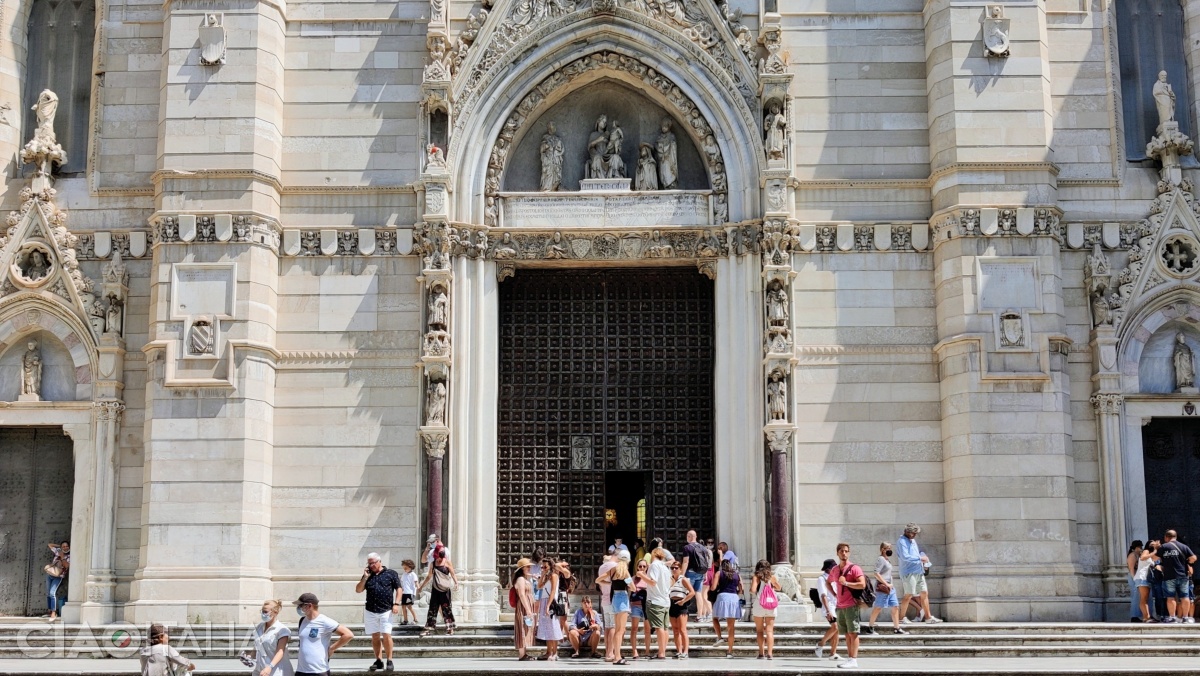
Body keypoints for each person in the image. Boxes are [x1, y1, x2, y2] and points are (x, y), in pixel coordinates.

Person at [354, 553, 402, 671]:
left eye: (372, 563)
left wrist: (396, 604)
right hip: (370, 609)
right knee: (375, 636)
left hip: (386, 609)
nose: (371, 565)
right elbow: (358, 590)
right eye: (369, 563)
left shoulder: (391, 573)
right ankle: (378, 660)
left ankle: (389, 660)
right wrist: (365, 577)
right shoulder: (368, 575)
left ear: (379, 561)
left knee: (386, 634)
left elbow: (399, 589)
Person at [294, 593, 354, 676]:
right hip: (301, 670)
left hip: (319, 671)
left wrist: (332, 648)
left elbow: (348, 634)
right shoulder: (302, 620)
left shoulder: (324, 621)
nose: (299, 608)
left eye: (301, 606)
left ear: (309, 606)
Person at [897, 523, 941, 623]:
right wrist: (921, 558)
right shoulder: (901, 541)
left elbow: (916, 554)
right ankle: (901, 618)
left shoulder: (912, 541)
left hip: (918, 571)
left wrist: (925, 563)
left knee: (924, 593)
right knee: (908, 594)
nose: (915, 535)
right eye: (914, 533)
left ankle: (928, 617)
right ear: (908, 532)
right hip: (909, 572)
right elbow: (905, 557)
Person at [597, 551, 633, 665]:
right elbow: (633, 587)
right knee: (620, 630)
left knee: (617, 629)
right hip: (622, 598)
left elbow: (597, 580)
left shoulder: (612, 570)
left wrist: (609, 584)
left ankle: (616, 655)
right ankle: (617, 656)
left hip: (614, 598)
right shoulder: (625, 572)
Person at [834, 543, 865, 669]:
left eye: (846, 551)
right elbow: (828, 582)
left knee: (853, 633)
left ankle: (854, 659)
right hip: (840, 605)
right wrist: (834, 595)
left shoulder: (854, 568)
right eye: (841, 551)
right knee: (846, 634)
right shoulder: (835, 569)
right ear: (837, 553)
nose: (844, 553)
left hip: (851, 604)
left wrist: (846, 583)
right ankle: (850, 658)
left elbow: (862, 584)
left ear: (849, 553)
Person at [416, 546, 459, 636]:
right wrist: (421, 587)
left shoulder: (447, 562)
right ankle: (428, 628)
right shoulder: (433, 563)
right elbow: (429, 576)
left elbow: (453, 573)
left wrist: (456, 583)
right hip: (435, 589)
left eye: (441, 557)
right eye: (437, 558)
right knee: (432, 608)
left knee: (446, 608)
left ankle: (450, 628)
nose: (439, 560)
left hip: (445, 590)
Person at [1159, 529, 1197, 623]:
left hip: (1169, 576)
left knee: (1170, 597)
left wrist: (1156, 549)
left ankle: (1172, 617)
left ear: (1166, 537)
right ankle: (1186, 617)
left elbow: (1154, 557)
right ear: (1175, 537)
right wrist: (1188, 561)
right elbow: (1193, 558)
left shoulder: (1163, 547)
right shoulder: (1183, 546)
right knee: (1185, 596)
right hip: (1182, 575)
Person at [867, 542, 905, 635]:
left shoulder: (887, 560)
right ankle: (870, 627)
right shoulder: (881, 559)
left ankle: (897, 628)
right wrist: (886, 584)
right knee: (878, 607)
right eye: (887, 548)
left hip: (890, 587)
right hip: (883, 587)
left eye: (890, 548)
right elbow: (876, 573)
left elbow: (888, 574)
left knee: (895, 606)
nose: (889, 549)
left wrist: (891, 584)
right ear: (882, 549)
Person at [710, 551, 742, 658]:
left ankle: (719, 637)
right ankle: (729, 652)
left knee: (715, 618)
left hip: (722, 597)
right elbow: (741, 589)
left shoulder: (719, 573)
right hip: (734, 598)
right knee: (731, 627)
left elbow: (713, 588)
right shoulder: (737, 575)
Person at [642, 548, 673, 659]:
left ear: (653, 554)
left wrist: (641, 575)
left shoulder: (654, 566)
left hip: (655, 600)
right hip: (665, 600)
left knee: (659, 627)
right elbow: (671, 582)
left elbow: (652, 582)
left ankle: (661, 653)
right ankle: (662, 651)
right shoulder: (665, 567)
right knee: (665, 628)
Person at [249, 600, 292, 676]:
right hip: (260, 670)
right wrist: (249, 657)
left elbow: (280, 651)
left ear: (275, 612)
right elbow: (257, 646)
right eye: (262, 611)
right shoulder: (259, 627)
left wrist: (270, 667)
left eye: (265, 612)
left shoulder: (282, 629)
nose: (263, 614)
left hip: (277, 671)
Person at [750, 559, 781, 659]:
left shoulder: (756, 577)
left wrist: (753, 589)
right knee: (770, 631)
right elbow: (779, 588)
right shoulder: (772, 577)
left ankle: (761, 653)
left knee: (759, 631)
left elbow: (753, 590)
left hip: (759, 604)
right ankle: (770, 654)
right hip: (770, 605)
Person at [536, 556, 564, 660]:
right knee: (547, 627)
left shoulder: (554, 575)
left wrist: (548, 605)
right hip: (544, 600)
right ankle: (548, 652)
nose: (543, 568)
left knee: (553, 626)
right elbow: (539, 586)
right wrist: (542, 575)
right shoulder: (547, 576)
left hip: (550, 602)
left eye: (545, 567)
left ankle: (555, 652)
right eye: (542, 567)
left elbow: (553, 591)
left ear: (550, 566)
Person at [668, 560, 695, 658]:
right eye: (672, 568)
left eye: (676, 568)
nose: (674, 570)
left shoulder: (683, 579)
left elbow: (692, 592)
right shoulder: (670, 580)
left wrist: (683, 601)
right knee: (675, 630)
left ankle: (686, 651)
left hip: (681, 605)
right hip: (672, 604)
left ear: (680, 569)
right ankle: (679, 651)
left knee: (682, 629)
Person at [680, 530, 710, 619]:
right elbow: (706, 563)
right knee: (698, 593)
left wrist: (682, 574)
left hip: (691, 572)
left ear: (689, 536)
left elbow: (685, 561)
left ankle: (683, 613)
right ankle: (700, 616)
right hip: (700, 573)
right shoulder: (703, 548)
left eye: (687, 536)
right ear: (696, 536)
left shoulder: (687, 547)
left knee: (686, 592)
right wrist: (706, 574)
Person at [814, 559, 841, 660]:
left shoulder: (833, 578)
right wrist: (828, 610)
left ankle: (833, 653)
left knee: (837, 631)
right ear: (829, 568)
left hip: (836, 605)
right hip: (829, 607)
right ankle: (820, 644)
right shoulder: (822, 579)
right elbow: (823, 595)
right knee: (835, 627)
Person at [511, 558, 536, 661]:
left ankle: (524, 654)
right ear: (522, 569)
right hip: (523, 607)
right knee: (522, 628)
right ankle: (522, 655)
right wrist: (528, 609)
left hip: (526, 607)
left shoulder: (524, 578)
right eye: (527, 567)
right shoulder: (521, 579)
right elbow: (521, 594)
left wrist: (531, 575)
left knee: (525, 628)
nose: (529, 568)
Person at [628, 558, 652, 659]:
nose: (642, 568)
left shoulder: (649, 578)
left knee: (647, 630)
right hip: (635, 606)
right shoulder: (633, 578)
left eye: (644, 566)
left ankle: (647, 652)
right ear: (637, 567)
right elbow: (630, 592)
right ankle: (634, 651)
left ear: (647, 567)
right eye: (640, 566)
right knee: (634, 629)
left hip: (646, 606)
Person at [597, 548, 617, 660]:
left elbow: (599, 582)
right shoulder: (615, 566)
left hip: (604, 599)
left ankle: (607, 651)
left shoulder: (601, 568)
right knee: (613, 626)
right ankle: (610, 653)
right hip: (613, 599)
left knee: (608, 627)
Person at [1134, 541, 1158, 622]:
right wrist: (1154, 551)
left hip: (1147, 578)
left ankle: (1147, 617)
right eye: (1152, 544)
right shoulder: (1146, 551)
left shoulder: (1151, 555)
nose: (1154, 545)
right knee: (1143, 598)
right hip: (1142, 577)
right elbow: (1142, 558)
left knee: (1146, 598)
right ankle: (1146, 617)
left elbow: (1157, 558)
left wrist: (1158, 549)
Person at [44, 541, 69, 621]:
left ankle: (54, 612)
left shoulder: (69, 555)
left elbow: (66, 566)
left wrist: (62, 557)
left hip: (58, 576)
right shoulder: (58, 551)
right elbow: (49, 544)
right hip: (50, 574)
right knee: (48, 593)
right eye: (63, 546)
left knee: (52, 593)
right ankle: (49, 610)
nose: (65, 547)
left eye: (66, 546)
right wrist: (59, 546)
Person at [1127, 540, 1145, 622]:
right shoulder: (1132, 555)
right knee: (1135, 597)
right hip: (1133, 577)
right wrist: (1134, 579)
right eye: (1140, 547)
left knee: (1138, 597)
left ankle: (1137, 615)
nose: (1141, 549)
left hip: (1136, 576)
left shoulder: (1137, 555)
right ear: (1136, 547)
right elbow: (1131, 568)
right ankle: (1134, 616)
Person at [398, 560, 419, 626]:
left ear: (410, 567)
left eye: (406, 568)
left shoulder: (413, 574)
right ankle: (405, 620)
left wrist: (418, 587)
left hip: (410, 593)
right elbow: (402, 582)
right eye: (404, 568)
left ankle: (415, 619)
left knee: (409, 606)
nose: (404, 570)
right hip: (404, 593)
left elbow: (416, 582)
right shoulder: (404, 574)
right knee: (403, 606)